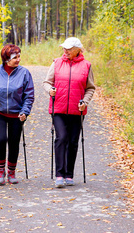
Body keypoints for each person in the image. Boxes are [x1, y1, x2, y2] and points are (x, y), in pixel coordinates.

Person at [43, 37, 96, 188]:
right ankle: (59, 175)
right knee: (62, 138)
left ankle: (69, 174)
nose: (65, 51)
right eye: (64, 48)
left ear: (78, 49)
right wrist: (50, 90)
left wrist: (85, 102)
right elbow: (47, 82)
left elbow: (90, 88)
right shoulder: (57, 63)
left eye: (69, 49)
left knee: (73, 142)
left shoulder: (87, 66)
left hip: (77, 110)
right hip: (58, 108)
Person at [0, 44, 35, 185]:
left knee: (14, 142)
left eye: (19, 56)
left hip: (16, 113)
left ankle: (11, 172)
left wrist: (25, 111)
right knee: (0, 139)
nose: (18, 60)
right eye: (14, 57)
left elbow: (29, 95)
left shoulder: (24, 73)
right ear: (6, 58)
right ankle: (1, 171)